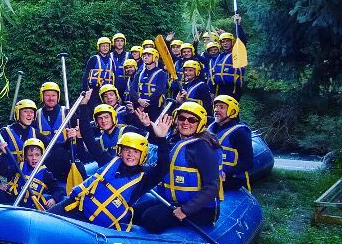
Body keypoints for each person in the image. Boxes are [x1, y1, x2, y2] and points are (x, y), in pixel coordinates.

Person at [134, 102, 222, 233]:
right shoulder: (177, 140)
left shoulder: (203, 147)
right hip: (174, 201)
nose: (185, 122)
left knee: (150, 218)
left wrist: (186, 210)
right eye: (182, 118)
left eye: (192, 120)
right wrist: (151, 128)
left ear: (200, 123)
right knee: (137, 211)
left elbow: (213, 186)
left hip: (201, 210)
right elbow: (164, 160)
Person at [52, 131, 169, 230]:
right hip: (74, 207)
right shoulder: (108, 161)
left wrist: (162, 138)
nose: (130, 155)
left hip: (96, 226)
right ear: (120, 151)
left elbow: (163, 168)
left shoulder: (143, 179)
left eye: (136, 152)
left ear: (142, 155)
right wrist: (83, 106)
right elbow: (91, 142)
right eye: (127, 150)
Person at [0, 138, 62, 210]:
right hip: (9, 198)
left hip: (26, 206)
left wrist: (54, 199)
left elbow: (57, 189)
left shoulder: (45, 173)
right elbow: (4, 172)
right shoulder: (19, 166)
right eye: (30, 155)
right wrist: (4, 154)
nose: (34, 158)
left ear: (42, 156)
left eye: (37, 155)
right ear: (26, 157)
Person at [0, 99, 38, 192]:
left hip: (31, 179)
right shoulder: (5, 133)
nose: (30, 114)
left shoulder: (35, 133)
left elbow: (52, 148)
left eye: (32, 112)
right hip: (12, 178)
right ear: (17, 113)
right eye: (26, 111)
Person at [208, 95, 253, 191]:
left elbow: (248, 162)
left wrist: (226, 173)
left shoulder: (240, 132)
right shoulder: (212, 127)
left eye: (221, 107)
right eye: (216, 106)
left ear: (232, 111)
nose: (216, 109)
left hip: (231, 179)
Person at [79, 104, 146, 166]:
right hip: (109, 171)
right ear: (96, 122)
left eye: (106, 117)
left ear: (113, 118)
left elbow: (148, 140)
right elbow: (85, 158)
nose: (103, 121)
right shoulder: (100, 141)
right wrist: (79, 138)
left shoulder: (128, 130)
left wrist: (145, 125)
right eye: (100, 118)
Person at [210, 14, 247, 100]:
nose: (225, 43)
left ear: (232, 42)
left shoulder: (237, 53)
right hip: (220, 88)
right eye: (223, 42)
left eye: (227, 41)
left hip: (233, 89)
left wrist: (238, 25)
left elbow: (242, 40)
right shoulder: (220, 56)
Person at [131, 48, 167, 119]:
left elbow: (159, 91)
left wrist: (144, 104)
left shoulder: (161, 73)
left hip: (154, 107)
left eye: (149, 55)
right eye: (144, 55)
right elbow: (132, 89)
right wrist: (139, 100)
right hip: (139, 105)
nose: (145, 57)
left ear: (155, 57)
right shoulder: (139, 73)